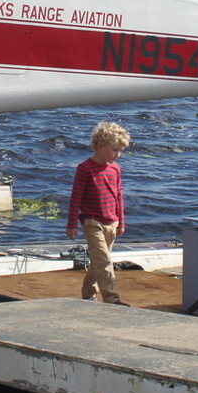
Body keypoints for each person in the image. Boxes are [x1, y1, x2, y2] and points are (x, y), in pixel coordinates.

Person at [67, 121, 129, 304]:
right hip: (92, 222)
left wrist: (121, 222)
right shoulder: (85, 168)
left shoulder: (115, 170)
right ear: (100, 146)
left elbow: (118, 196)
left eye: (120, 151)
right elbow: (76, 197)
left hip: (112, 222)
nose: (117, 155)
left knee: (98, 261)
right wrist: (71, 224)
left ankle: (88, 292)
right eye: (114, 150)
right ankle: (112, 298)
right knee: (104, 262)